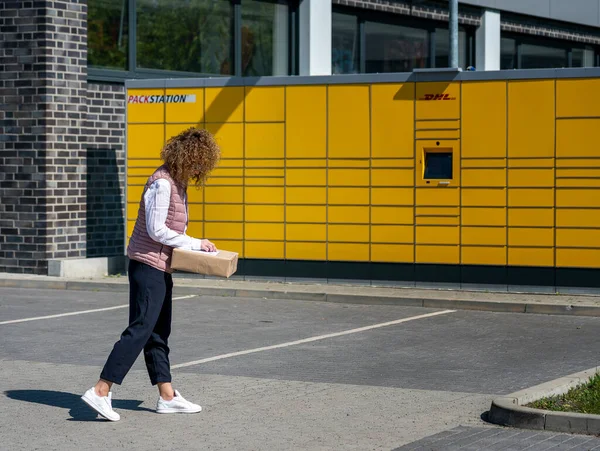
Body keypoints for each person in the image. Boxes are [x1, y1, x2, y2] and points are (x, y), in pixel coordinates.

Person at [81, 126, 221, 421]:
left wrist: (191, 245)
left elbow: (170, 230)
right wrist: (196, 243)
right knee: (140, 329)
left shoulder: (177, 183)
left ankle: (167, 397)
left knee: (158, 332)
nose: (199, 170)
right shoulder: (162, 184)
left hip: (159, 267)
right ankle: (101, 390)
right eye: (197, 163)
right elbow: (157, 229)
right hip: (147, 267)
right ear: (186, 157)